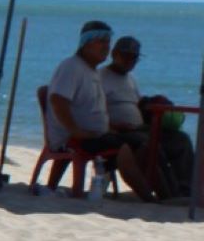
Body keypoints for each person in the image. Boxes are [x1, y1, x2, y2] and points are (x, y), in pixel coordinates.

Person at [45, 21, 155, 201]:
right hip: (77, 139)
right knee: (131, 145)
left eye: (108, 42)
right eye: (101, 41)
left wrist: (111, 127)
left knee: (145, 140)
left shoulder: (90, 71)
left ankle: (165, 192)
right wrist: (75, 131)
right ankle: (148, 197)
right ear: (86, 42)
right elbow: (58, 101)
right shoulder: (71, 67)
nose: (106, 46)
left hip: (96, 135)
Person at [100, 34, 191, 199]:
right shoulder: (101, 78)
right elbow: (97, 113)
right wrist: (114, 126)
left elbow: (136, 104)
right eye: (126, 56)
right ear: (114, 54)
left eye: (134, 58)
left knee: (181, 139)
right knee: (152, 145)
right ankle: (170, 193)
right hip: (118, 132)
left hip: (139, 129)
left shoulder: (131, 79)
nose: (130, 61)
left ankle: (186, 189)